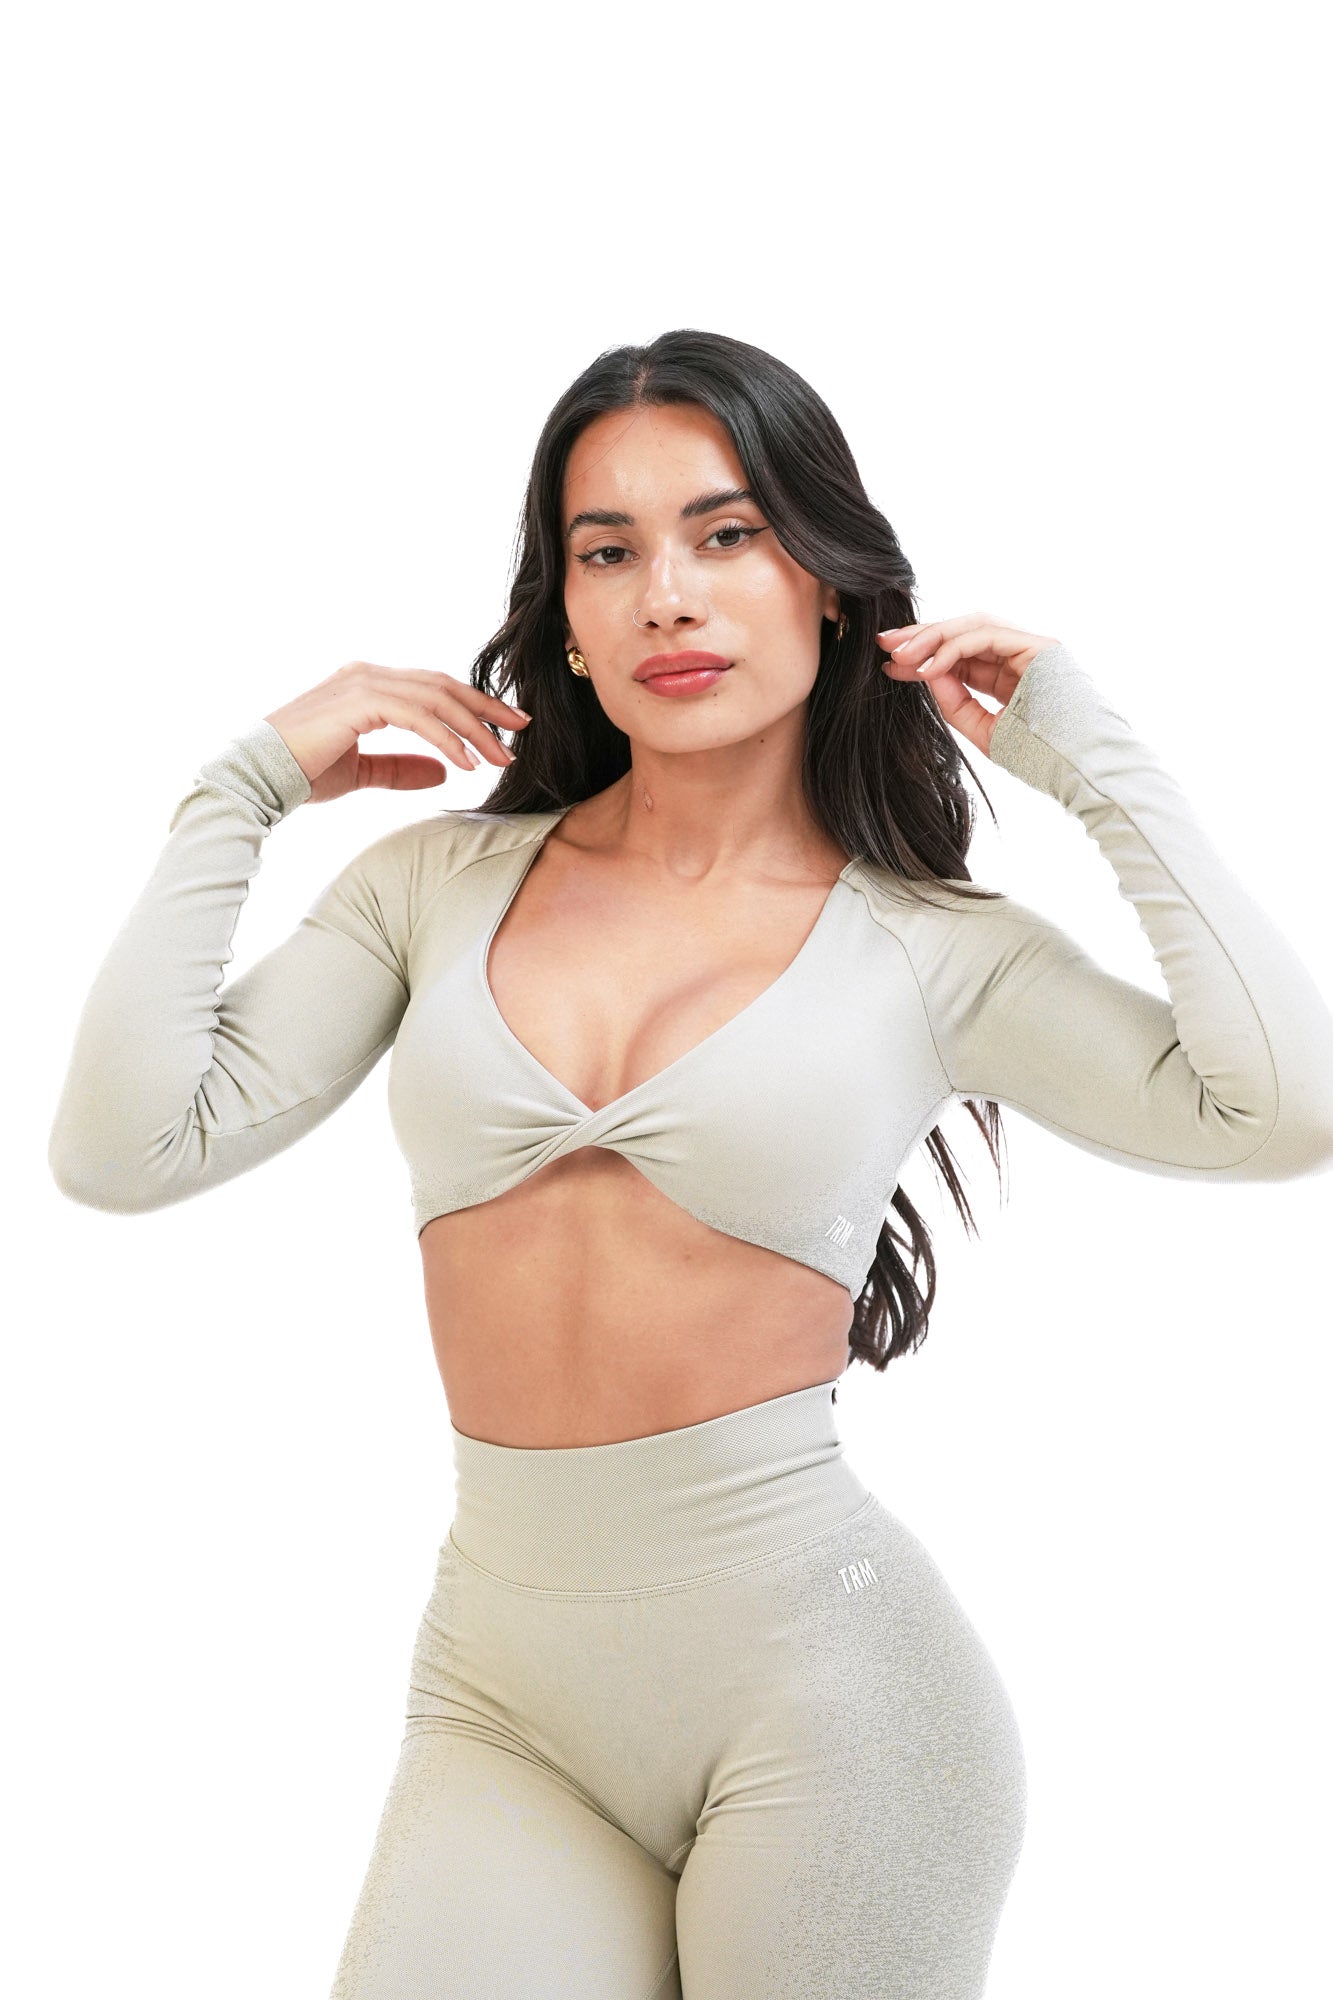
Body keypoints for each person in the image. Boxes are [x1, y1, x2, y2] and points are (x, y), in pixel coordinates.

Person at [47, 328, 1333, 2000]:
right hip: (504, 1705)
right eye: (609, 552)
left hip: (832, 1702)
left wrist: (1094, 760)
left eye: (726, 535)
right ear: (566, 619)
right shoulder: (429, 889)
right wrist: (236, 791)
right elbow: (123, 1148)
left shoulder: (932, 950)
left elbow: (1281, 1109)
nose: (667, 596)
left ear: (829, 588)